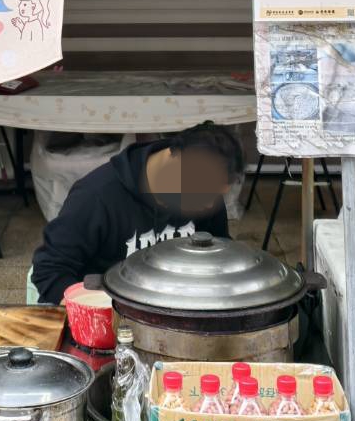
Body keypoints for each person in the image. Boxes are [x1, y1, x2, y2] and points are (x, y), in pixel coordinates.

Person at [30, 122, 245, 304]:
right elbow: (49, 271)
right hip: (111, 315)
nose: (209, 205)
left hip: (179, 310)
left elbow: (219, 257)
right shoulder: (96, 196)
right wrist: (94, 308)